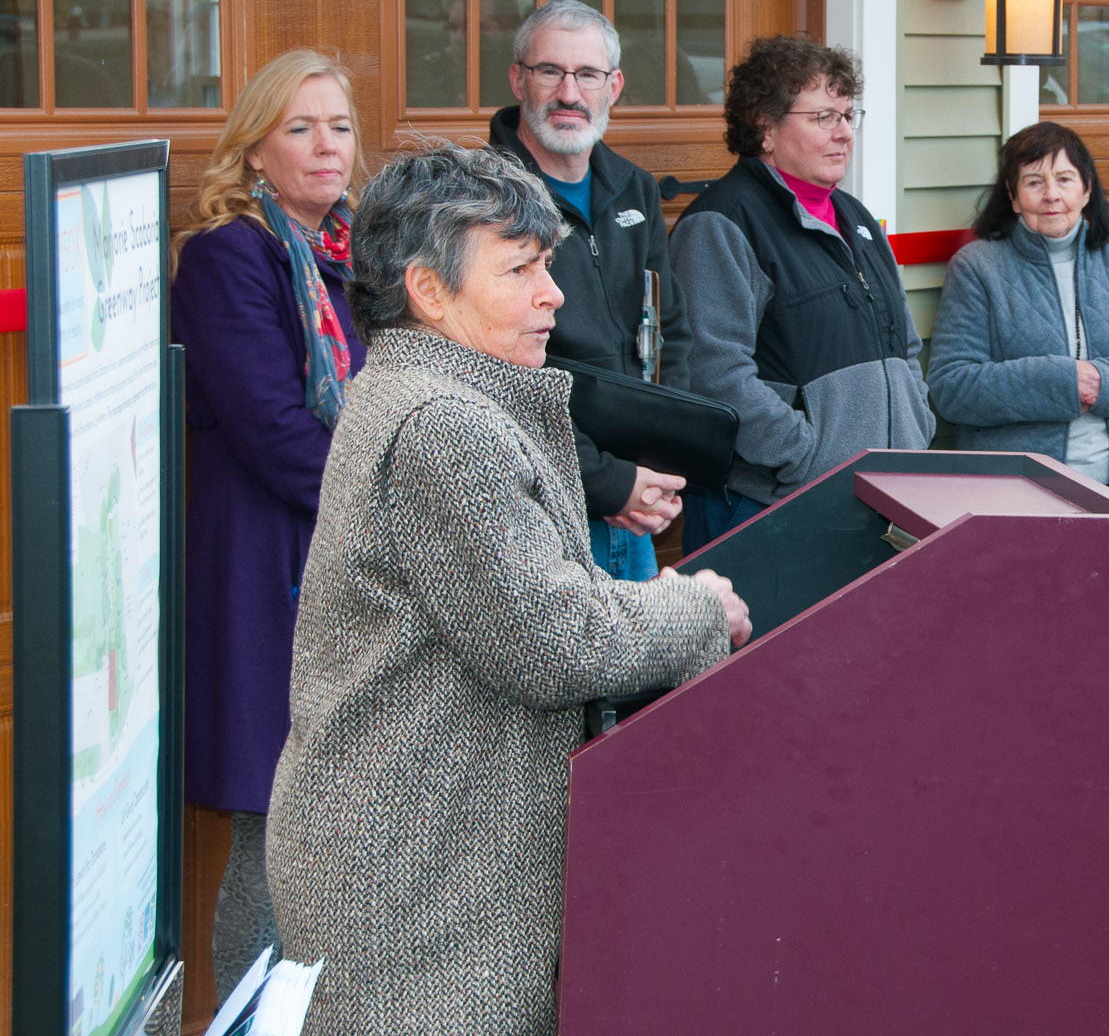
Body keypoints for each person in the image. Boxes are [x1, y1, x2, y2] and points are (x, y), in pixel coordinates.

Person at [266, 144, 752, 1033]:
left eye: (549, 265)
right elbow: (554, 641)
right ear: (430, 290)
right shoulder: (446, 426)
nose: (553, 294)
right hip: (421, 881)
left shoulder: (427, 388)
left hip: (428, 855)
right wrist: (693, 607)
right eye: (521, 268)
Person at [170, 49, 366, 1001]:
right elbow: (276, 433)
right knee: (273, 825)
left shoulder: (347, 248)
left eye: (338, 125)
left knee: (330, 823)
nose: (327, 146)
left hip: (337, 560)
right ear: (254, 153)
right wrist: (399, 499)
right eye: (300, 127)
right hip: (262, 569)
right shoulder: (226, 258)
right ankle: (248, 1021)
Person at [669, 34, 934, 549]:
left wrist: (914, 424)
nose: (843, 134)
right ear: (765, 127)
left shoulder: (856, 219)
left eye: (848, 115)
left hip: (877, 501)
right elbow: (712, 373)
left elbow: (906, 347)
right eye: (823, 118)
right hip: (771, 508)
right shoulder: (723, 223)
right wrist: (805, 455)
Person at [489, 0, 694, 581]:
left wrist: (657, 469)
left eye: (588, 75)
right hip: (538, 509)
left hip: (636, 495)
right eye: (550, 71)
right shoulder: (483, 201)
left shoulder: (635, 189)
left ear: (615, 86)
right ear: (518, 79)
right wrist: (607, 481)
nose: (569, 93)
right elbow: (499, 372)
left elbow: (671, 332)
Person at [928, 121, 1109, 502]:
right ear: (1013, 196)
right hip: (1017, 495)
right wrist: (1063, 382)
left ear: (1086, 190)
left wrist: (1099, 381)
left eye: (1065, 179)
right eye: (1034, 182)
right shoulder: (977, 267)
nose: (1052, 195)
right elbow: (952, 387)